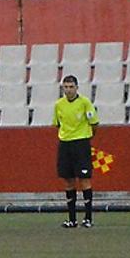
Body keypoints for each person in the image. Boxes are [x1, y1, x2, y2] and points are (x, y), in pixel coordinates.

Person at [53, 74, 99, 228]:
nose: (68, 90)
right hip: (65, 144)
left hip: (81, 144)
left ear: (77, 88)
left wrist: (85, 137)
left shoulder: (85, 103)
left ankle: (88, 218)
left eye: (71, 87)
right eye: (65, 87)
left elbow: (95, 123)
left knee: (84, 179)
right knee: (68, 180)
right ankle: (72, 219)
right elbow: (58, 124)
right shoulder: (59, 104)